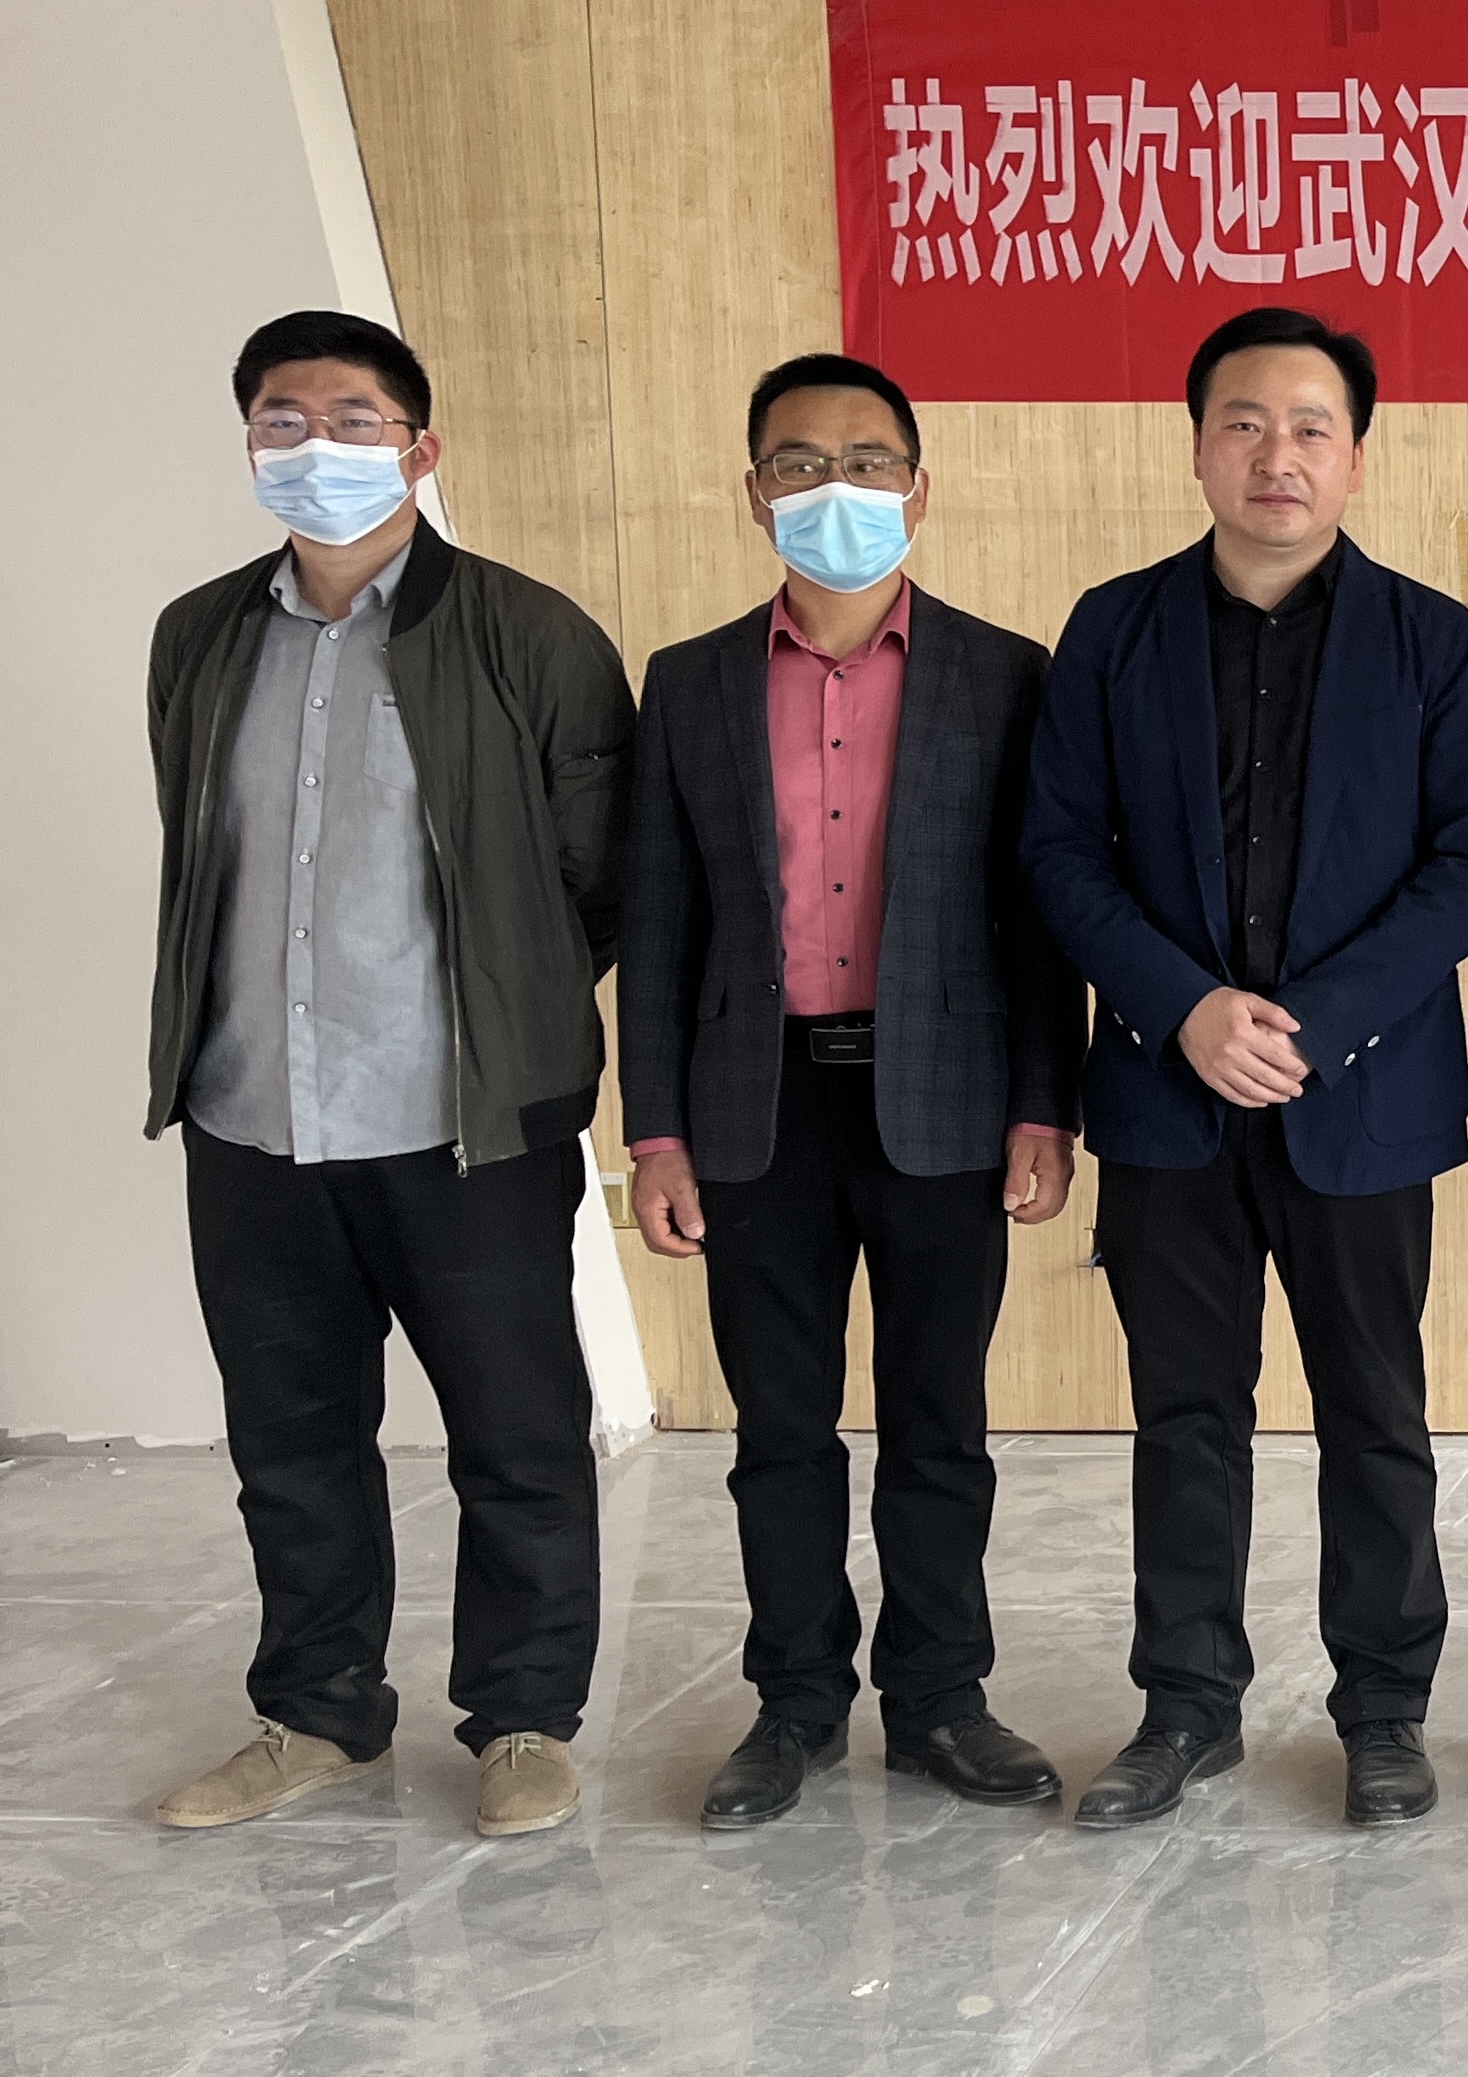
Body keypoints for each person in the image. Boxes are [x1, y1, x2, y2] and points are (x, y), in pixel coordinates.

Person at [1021, 308, 1468, 1829]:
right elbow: (1060, 851)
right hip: (1166, 1096)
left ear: (1356, 457)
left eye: (1311, 427)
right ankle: (1186, 1706)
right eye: (1244, 422)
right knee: (1185, 1415)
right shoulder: (1113, 629)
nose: (1276, 455)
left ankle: (1384, 1710)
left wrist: (1310, 1022)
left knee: (1376, 1412)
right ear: (1197, 446)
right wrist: (1184, 1009)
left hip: (1357, 1099)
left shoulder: (1432, 640)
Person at [146, 310, 633, 1838]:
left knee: (517, 1433)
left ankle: (524, 1720)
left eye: (354, 421)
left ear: (420, 449)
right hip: (251, 1116)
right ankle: (317, 1714)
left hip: (461, 1123)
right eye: (282, 421)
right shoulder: (198, 635)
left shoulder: (529, 633)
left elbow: (601, 881)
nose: (317, 448)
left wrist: (501, 1015)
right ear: (248, 444)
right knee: (290, 1441)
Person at [618, 353, 1084, 1828]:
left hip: (943, 1099)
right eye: (801, 463)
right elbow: (659, 921)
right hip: (755, 1111)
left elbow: (1037, 916)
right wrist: (654, 1131)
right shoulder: (689, 682)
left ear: (918, 491)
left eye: (870, 462)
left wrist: (1045, 1103)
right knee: (780, 1431)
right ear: (754, 493)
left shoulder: (1005, 676)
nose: (838, 489)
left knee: (939, 1422)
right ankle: (797, 1706)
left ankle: (942, 1698)